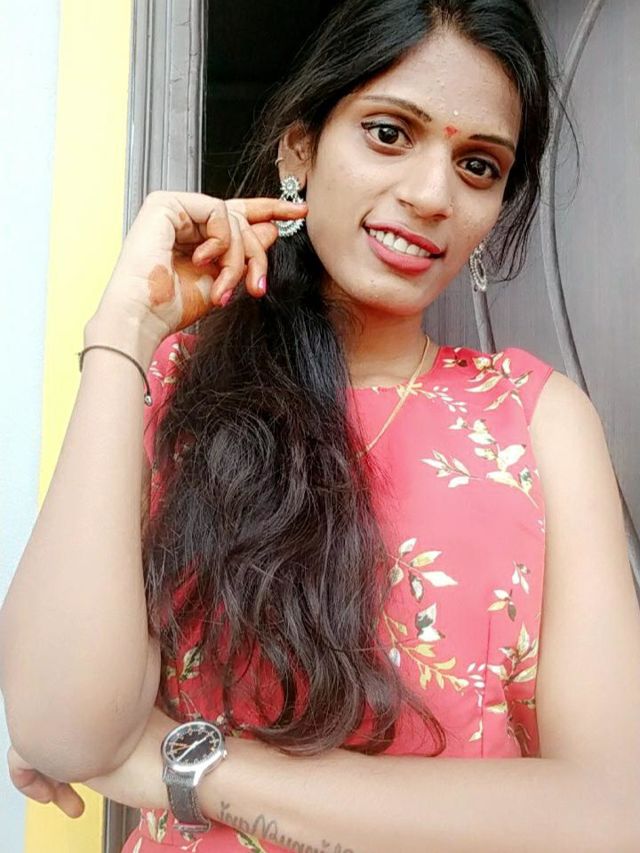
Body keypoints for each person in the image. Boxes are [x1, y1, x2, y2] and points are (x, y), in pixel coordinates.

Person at [2, 1, 639, 851]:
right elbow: (60, 728)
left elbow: (609, 812)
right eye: (389, 133)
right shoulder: (178, 388)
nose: (431, 194)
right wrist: (124, 328)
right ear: (299, 150)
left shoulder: (537, 420)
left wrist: (180, 763)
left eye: (478, 165)